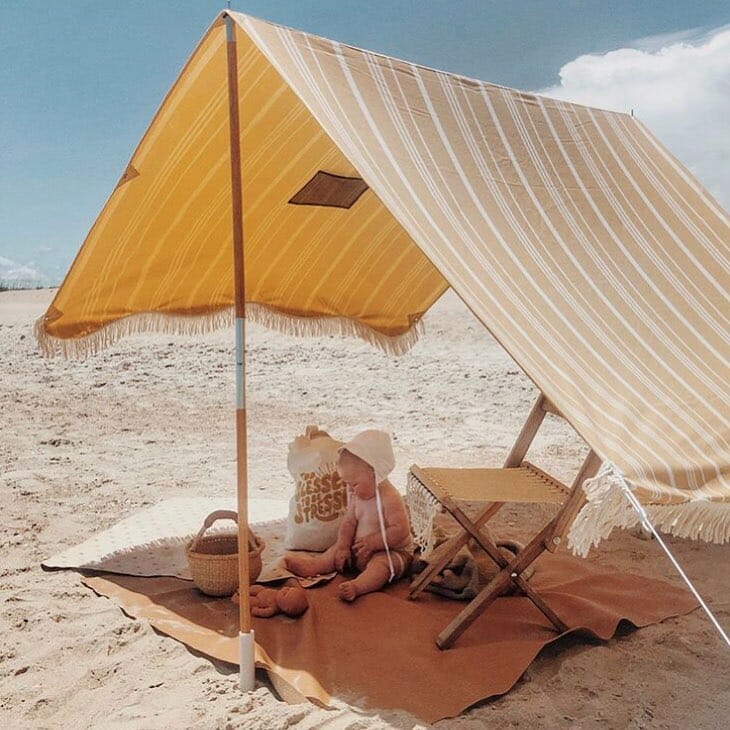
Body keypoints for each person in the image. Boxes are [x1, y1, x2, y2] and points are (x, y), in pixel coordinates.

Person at [285, 430, 413, 602]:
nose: (350, 490)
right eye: (347, 484)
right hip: (359, 549)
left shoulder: (390, 498)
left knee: (381, 566)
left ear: (375, 473)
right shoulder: (356, 495)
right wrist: (344, 547)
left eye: (354, 484)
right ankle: (316, 565)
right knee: (336, 548)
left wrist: (374, 542)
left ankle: (358, 586)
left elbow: (401, 530)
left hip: (391, 551)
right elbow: (348, 523)